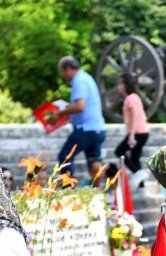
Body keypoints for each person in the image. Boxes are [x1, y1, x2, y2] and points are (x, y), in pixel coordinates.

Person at [51, 57, 107, 185]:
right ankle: (98, 191)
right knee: (94, 161)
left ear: (68, 69)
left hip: (86, 129)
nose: (62, 75)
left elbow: (80, 106)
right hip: (98, 128)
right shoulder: (86, 77)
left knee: (65, 157)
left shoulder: (79, 80)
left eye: (62, 71)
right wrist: (69, 119)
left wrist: (59, 114)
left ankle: (68, 189)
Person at [113, 73, 150, 187]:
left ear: (126, 85)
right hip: (142, 133)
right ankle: (141, 185)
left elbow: (134, 116)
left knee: (119, 151)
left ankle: (139, 173)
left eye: (121, 84)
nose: (119, 87)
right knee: (135, 158)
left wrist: (131, 135)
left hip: (138, 133)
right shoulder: (135, 97)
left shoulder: (131, 98)